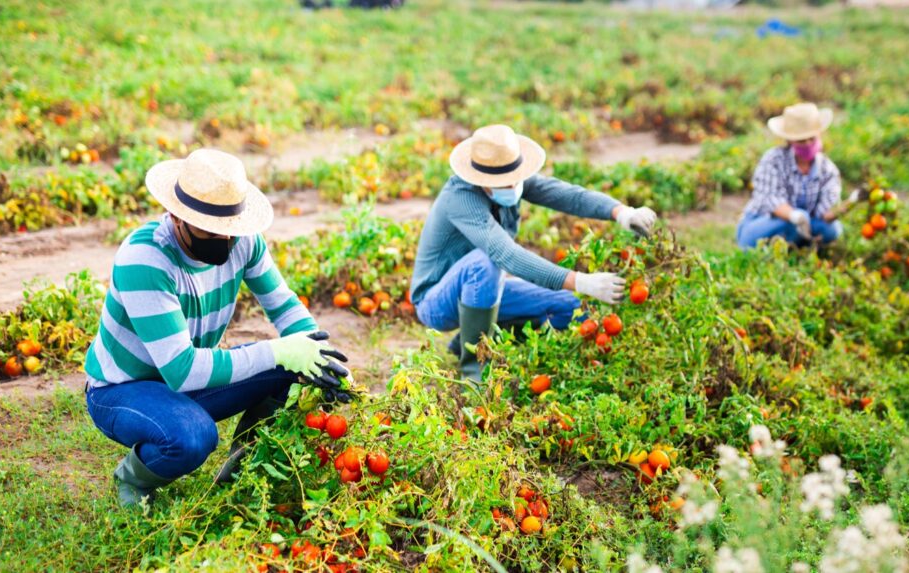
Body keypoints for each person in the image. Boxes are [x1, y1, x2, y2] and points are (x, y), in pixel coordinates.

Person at [83, 149, 351, 506]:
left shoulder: (245, 242)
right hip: (123, 390)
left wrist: (321, 357)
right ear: (176, 216)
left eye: (230, 230)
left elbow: (284, 307)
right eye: (210, 229)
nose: (224, 241)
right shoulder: (145, 259)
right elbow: (182, 371)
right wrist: (276, 350)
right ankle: (133, 479)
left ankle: (243, 473)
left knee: (294, 371)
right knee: (192, 435)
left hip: (188, 377)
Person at [410, 124, 658, 381]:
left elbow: (567, 195)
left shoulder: (512, 180)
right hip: (436, 302)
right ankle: (475, 373)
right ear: (482, 181)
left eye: (517, 178)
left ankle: (471, 338)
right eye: (504, 182)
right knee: (485, 262)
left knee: (573, 308)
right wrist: (579, 280)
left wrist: (621, 212)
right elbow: (506, 254)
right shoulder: (461, 198)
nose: (515, 185)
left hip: (487, 289)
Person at [737, 102, 856, 250]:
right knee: (750, 241)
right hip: (765, 221)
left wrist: (852, 202)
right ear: (790, 140)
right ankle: (790, 243)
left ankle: (796, 243)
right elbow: (769, 198)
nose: (807, 143)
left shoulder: (827, 170)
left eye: (811, 139)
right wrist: (796, 217)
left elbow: (825, 213)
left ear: (819, 135)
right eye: (801, 140)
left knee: (833, 230)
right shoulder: (774, 160)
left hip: (806, 223)